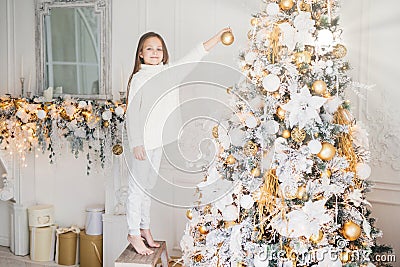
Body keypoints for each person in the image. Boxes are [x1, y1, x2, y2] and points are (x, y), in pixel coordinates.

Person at [125, 28, 233, 255]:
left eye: (158, 49)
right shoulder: (139, 78)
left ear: (164, 54)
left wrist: (217, 37)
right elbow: (132, 112)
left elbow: (195, 55)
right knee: (137, 189)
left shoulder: (169, 72)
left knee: (149, 189)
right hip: (143, 143)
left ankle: (144, 228)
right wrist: (136, 142)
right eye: (149, 49)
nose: (154, 52)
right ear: (141, 55)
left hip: (158, 142)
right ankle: (133, 232)